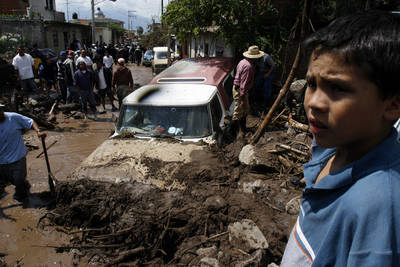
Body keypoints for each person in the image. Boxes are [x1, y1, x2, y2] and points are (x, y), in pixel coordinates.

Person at [280, 11, 400, 267]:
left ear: (393, 104)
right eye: (312, 84)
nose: (313, 102)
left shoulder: (377, 207)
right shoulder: (330, 150)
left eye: (337, 88)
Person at [0, 103, 46, 202]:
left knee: (19, 182)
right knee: (8, 182)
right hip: (1, 160)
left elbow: (31, 121)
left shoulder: (13, 118)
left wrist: (38, 131)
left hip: (17, 158)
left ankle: (23, 198)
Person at [232, 45, 264, 136]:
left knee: (244, 110)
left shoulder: (242, 62)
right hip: (241, 91)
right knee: (239, 111)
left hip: (238, 88)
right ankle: (237, 131)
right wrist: (243, 99)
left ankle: (242, 129)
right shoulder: (248, 67)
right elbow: (244, 85)